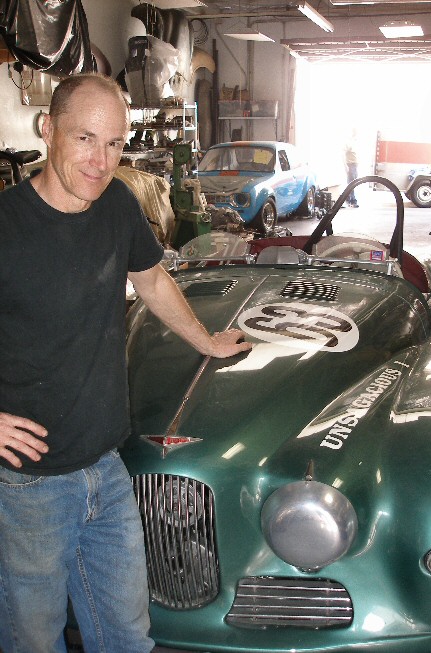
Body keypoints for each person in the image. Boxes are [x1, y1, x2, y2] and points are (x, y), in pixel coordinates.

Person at [0, 73, 252, 653]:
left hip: (107, 471)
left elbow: (152, 278)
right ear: (47, 129)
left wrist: (206, 341)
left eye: (114, 143)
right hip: (30, 485)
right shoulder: (7, 226)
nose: (101, 160)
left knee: (128, 638)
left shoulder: (116, 204)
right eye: (85, 138)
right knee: (33, 641)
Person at [344, 128, 359, 208]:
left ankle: (349, 199)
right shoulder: (349, 143)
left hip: (354, 165)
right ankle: (352, 201)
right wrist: (346, 166)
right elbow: (343, 154)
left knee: (353, 183)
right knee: (352, 183)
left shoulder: (355, 143)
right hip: (351, 165)